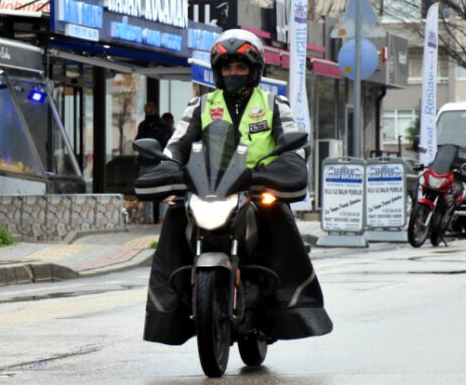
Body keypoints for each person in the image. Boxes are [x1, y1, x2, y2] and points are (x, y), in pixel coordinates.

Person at [138, 29, 333, 345]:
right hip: (209, 187)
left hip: (257, 187)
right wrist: (169, 166)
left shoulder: (273, 104)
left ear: (254, 70)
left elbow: (292, 144)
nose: (233, 74)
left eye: (240, 67)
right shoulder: (200, 105)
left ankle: (293, 304)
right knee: (175, 214)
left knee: (280, 219)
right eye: (227, 68)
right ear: (218, 71)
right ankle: (167, 309)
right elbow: (178, 144)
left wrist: (288, 166)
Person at [135, 102, 173, 223]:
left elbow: (168, 145)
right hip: (145, 162)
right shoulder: (143, 125)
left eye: (150, 108)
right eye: (146, 108)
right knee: (146, 192)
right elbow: (137, 141)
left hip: (158, 162)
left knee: (162, 191)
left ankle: (163, 218)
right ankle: (148, 219)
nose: (148, 111)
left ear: (155, 109)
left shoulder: (163, 126)